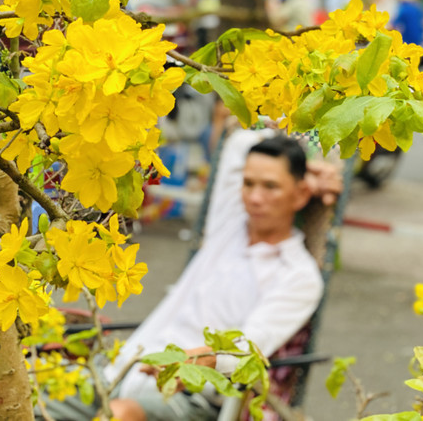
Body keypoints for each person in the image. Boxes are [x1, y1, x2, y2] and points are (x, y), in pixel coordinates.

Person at [36, 130, 342, 421]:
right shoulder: (228, 227)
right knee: (25, 389)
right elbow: (238, 142)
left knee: (119, 414)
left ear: (301, 193)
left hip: (194, 396)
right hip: (120, 369)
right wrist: (308, 156)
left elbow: (250, 350)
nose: (255, 197)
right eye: (248, 183)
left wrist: (202, 360)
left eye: (271, 186)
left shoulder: (299, 276)